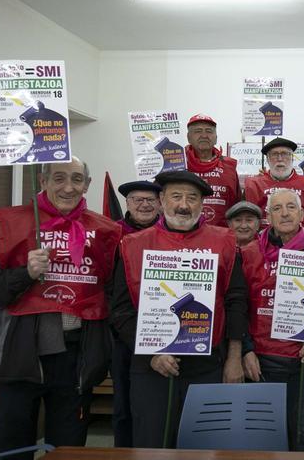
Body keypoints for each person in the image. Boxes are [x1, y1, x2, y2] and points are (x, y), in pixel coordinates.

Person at [0, 157, 122, 457]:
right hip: (18, 356)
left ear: (87, 185)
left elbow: (112, 296)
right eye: (59, 178)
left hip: (76, 359)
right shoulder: (11, 225)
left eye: (77, 179)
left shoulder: (104, 231)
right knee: (13, 449)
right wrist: (24, 273)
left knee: (67, 450)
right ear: (42, 181)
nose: (68, 187)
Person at [110, 170, 247, 448]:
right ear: (162, 200)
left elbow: (236, 301)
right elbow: (121, 310)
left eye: (192, 198)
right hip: (152, 365)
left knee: (205, 445)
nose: (184, 205)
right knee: (152, 444)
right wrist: (152, 353)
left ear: (202, 204)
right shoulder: (133, 245)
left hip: (207, 365)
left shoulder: (225, 241)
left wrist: (235, 357)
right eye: (176, 196)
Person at [241, 188, 304, 451]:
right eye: (277, 208)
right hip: (263, 360)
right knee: (264, 439)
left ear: (302, 214)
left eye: (291, 207)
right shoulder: (248, 253)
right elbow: (239, 306)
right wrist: (245, 350)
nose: (285, 213)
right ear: (268, 217)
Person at [112, 179, 163, 447]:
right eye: (137, 200)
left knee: (154, 407)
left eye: (150, 200)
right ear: (127, 203)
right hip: (123, 331)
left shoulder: (170, 233)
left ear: (160, 204)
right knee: (124, 404)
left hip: (162, 330)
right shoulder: (113, 234)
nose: (144, 205)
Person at [243, 137, 304, 240]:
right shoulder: (253, 185)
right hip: (263, 244)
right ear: (268, 159)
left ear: (292, 158)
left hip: (301, 245)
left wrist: (301, 239)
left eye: (284, 154)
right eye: (274, 154)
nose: (280, 159)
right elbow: (244, 220)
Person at [183, 113, 240, 226]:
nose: (204, 135)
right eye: (198, 131)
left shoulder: (229, 166)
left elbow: (237, 203)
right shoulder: (177, 164)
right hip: (183, 232)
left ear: (216, 138)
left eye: (209, 131)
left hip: (221, 232)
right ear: (189, 137)